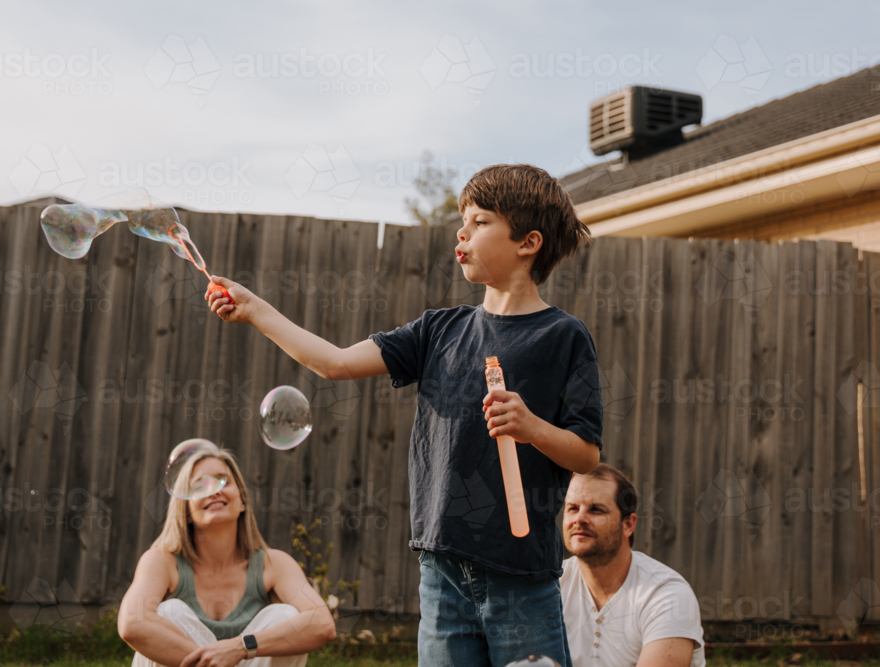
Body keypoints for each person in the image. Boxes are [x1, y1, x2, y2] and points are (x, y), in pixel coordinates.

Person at [206, 164, 604, 667]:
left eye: (480, 222)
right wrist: (255, 308)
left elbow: (587, 454)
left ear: (528, 242)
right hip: (442, 571)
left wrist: (533, 428)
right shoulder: (438, 331)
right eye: (463, 219)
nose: (462, 231)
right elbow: (335, 362)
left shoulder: (564, 337)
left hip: (521, 577)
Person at [118, 441, 336, 667]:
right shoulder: (162, 560)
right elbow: (131, 624)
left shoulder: (274, 564)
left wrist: (240, 647)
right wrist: (214, 662)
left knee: (286, 616)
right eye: (200, 486)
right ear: (187, 510)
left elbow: (321, 623)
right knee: (169, 612)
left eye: (223, 481)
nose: (214, 490)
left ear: (242, 501)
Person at [560, 464, 706, 667]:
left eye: (596, 510)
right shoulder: (552, 586)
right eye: (572, 508)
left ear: (628, 525)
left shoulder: (667, 594)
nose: (579, 519)